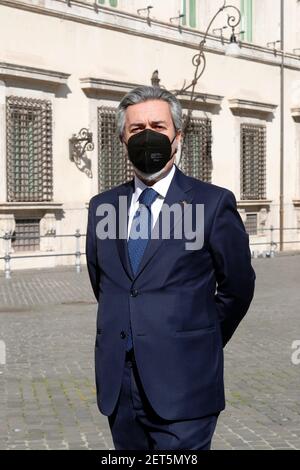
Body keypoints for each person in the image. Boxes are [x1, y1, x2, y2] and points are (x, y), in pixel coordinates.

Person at [86, 85, 256, 450]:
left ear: (177, 136)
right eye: (136, 129)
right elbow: (105, 283)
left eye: (158, 127)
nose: (147, 136)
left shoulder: (212, 204)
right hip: (121, 386)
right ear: (121, 139)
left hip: (186, 383)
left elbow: (237, 287)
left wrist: (198, 338)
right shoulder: (103, 207)